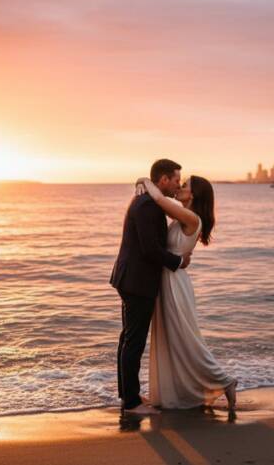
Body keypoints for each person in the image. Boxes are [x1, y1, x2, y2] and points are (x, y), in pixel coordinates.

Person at [136, 174, 238, 411]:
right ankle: (176, 392)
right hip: (168, 280)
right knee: (173, 340)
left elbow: (160, 200)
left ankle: (225, 381)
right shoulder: (183, 217)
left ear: (193, 195)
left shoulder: (192, 218)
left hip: (174, 284)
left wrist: (144, 179)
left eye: (185, 185)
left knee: (186, 339)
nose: (180, 188)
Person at [110, 159, 192, 415]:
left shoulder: (149, 201)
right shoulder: (148, 205)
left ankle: (128, 394)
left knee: (128, 339)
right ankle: (131, 403)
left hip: (131, 278)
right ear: (164, 180)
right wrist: (178, 261)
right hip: (137, 281)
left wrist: (142, 180)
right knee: (134, 341)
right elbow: (150, 249)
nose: (179, 184)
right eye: (177, 179)